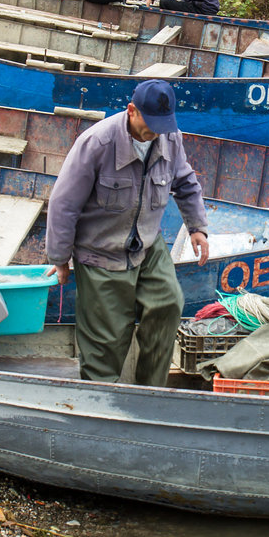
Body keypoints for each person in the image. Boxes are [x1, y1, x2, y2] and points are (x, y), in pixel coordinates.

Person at [45, 79, 211, 385]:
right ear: (131, 111)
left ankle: (150, 393)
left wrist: (197, 228)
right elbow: (63, 204)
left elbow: (186, 183)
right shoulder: (97, 143)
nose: (156, 132)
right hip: (100, 253)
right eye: (151, 124)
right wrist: (60, 258)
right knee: (107, 340)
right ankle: (100, 405)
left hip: (147, 245)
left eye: (164, 124)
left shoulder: (171, 138)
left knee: (169, 304)